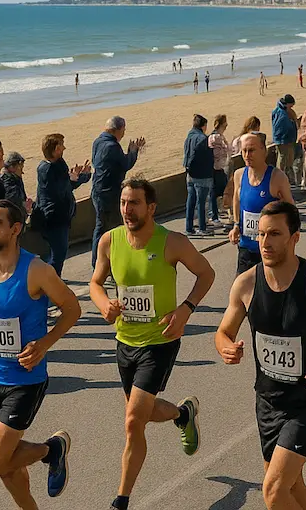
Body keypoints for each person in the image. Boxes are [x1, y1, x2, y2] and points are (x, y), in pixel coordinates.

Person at [215, 201, 306, 510]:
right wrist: (225, 347)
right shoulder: (245, 283)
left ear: (294, 236)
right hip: (267, 401)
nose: (266, 242)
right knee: (292, 485)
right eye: (261, 234)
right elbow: (223, 332)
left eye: (275, 234)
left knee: (272, 490)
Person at [89, 178, 216, 510]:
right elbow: (95, 283)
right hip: (124, 341)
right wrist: (104, 304)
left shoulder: (171, 242)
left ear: (151, 207)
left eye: (134, 203)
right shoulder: (109, 241)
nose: (127, 210)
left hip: (160, 341)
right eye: (123, 203)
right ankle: (182, 414)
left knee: (132, 421)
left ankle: (121, 499)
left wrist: (185, 310)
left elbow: (206, 273)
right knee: (139, 414)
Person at [0, 200, 80, 509]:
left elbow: (72, 308)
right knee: (8, 470)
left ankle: (52, 449)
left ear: (15, 229)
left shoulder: (36, 270)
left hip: (26, 378)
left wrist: (45, 343)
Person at [230, 133, 296, 275]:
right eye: (244, 151)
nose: (247, 155)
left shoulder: (277, 177)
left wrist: (288, 241)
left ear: (264, 151)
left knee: (269, 294)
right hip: (246, 247)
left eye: (252, 150)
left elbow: (292, 211)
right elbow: (236, 200)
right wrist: (236, 225)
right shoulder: (239, 175)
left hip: (270, 250)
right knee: (240, 291)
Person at [35, 134, 91, 299]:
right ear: (54, 149)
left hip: (62, 216)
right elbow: (56, 191)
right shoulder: (46, 169)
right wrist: (71, 178)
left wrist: (82, 177)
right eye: (61, 146)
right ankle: (47, 289)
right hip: (53, 218)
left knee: (57, 254)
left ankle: (47, 285)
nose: (64, 149)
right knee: (58, 255)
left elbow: (67, 186)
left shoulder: (59, 164)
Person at [91, 117, 145, 268]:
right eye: (123, 130)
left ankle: (97, 263)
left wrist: (129, 152)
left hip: (97, 191)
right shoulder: (112, 146)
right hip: (108, 193)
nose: (124, 133)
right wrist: (133, 152)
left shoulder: (98, 142)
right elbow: (126, 164)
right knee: (113, 229)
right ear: (118, 130)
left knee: (100, 227)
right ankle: (105, 263)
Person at [183, 115, 215, 237]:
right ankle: (202, 227)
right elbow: (207, 158)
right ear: (203, 126)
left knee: (191, 201)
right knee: (201, 202)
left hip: (189, 173)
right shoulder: (202, 139)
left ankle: (189, 227)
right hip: (201, 175)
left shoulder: (189, 137)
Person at [208, 115, 231, 227]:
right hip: (216, 169)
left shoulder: (218, 136)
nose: (227, 125)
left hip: (219, 169)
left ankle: (217, 214)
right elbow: (216, 154)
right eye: (225, 123)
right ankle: (215, 216)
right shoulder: (216, 137)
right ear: (222, 124)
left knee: (219, 193)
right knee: (217, 193)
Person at [272, 95, 299, 186]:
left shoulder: (281, 111)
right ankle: (279, 179)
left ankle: (288, 179)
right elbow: (281, 127)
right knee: (282, 159)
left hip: (287, 139)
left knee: (288, 160)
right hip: (283, 139)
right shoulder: (281, 113)